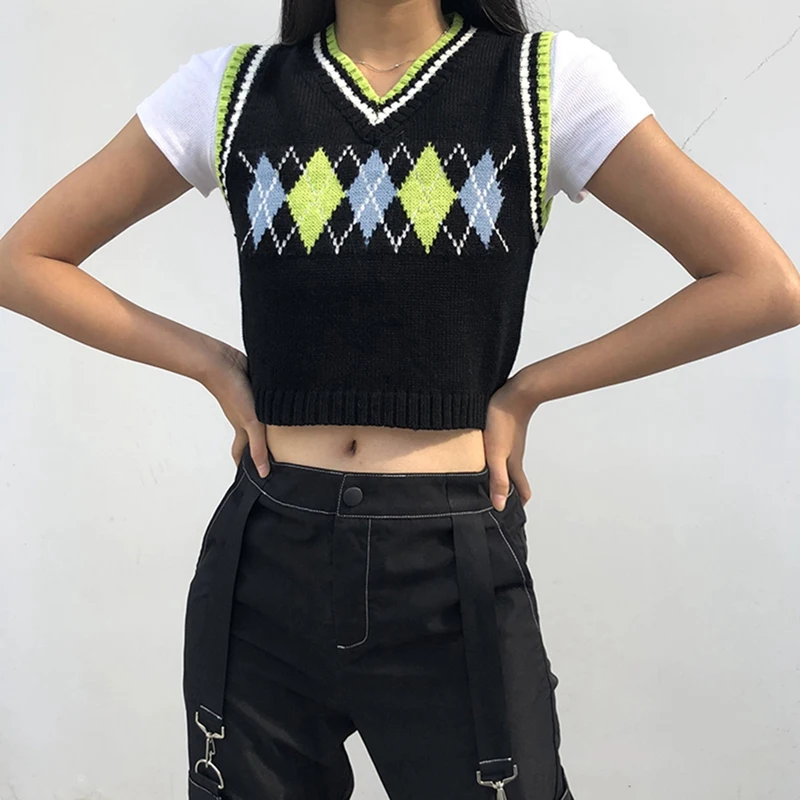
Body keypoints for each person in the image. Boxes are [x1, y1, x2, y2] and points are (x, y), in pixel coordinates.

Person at [2, 0, 799, 798]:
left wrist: (529, 389)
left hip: (450, 563)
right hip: (266, 560)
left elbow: (762, 284)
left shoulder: (542, 83)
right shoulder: (232, 89)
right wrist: (209, 363)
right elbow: (24, 261)